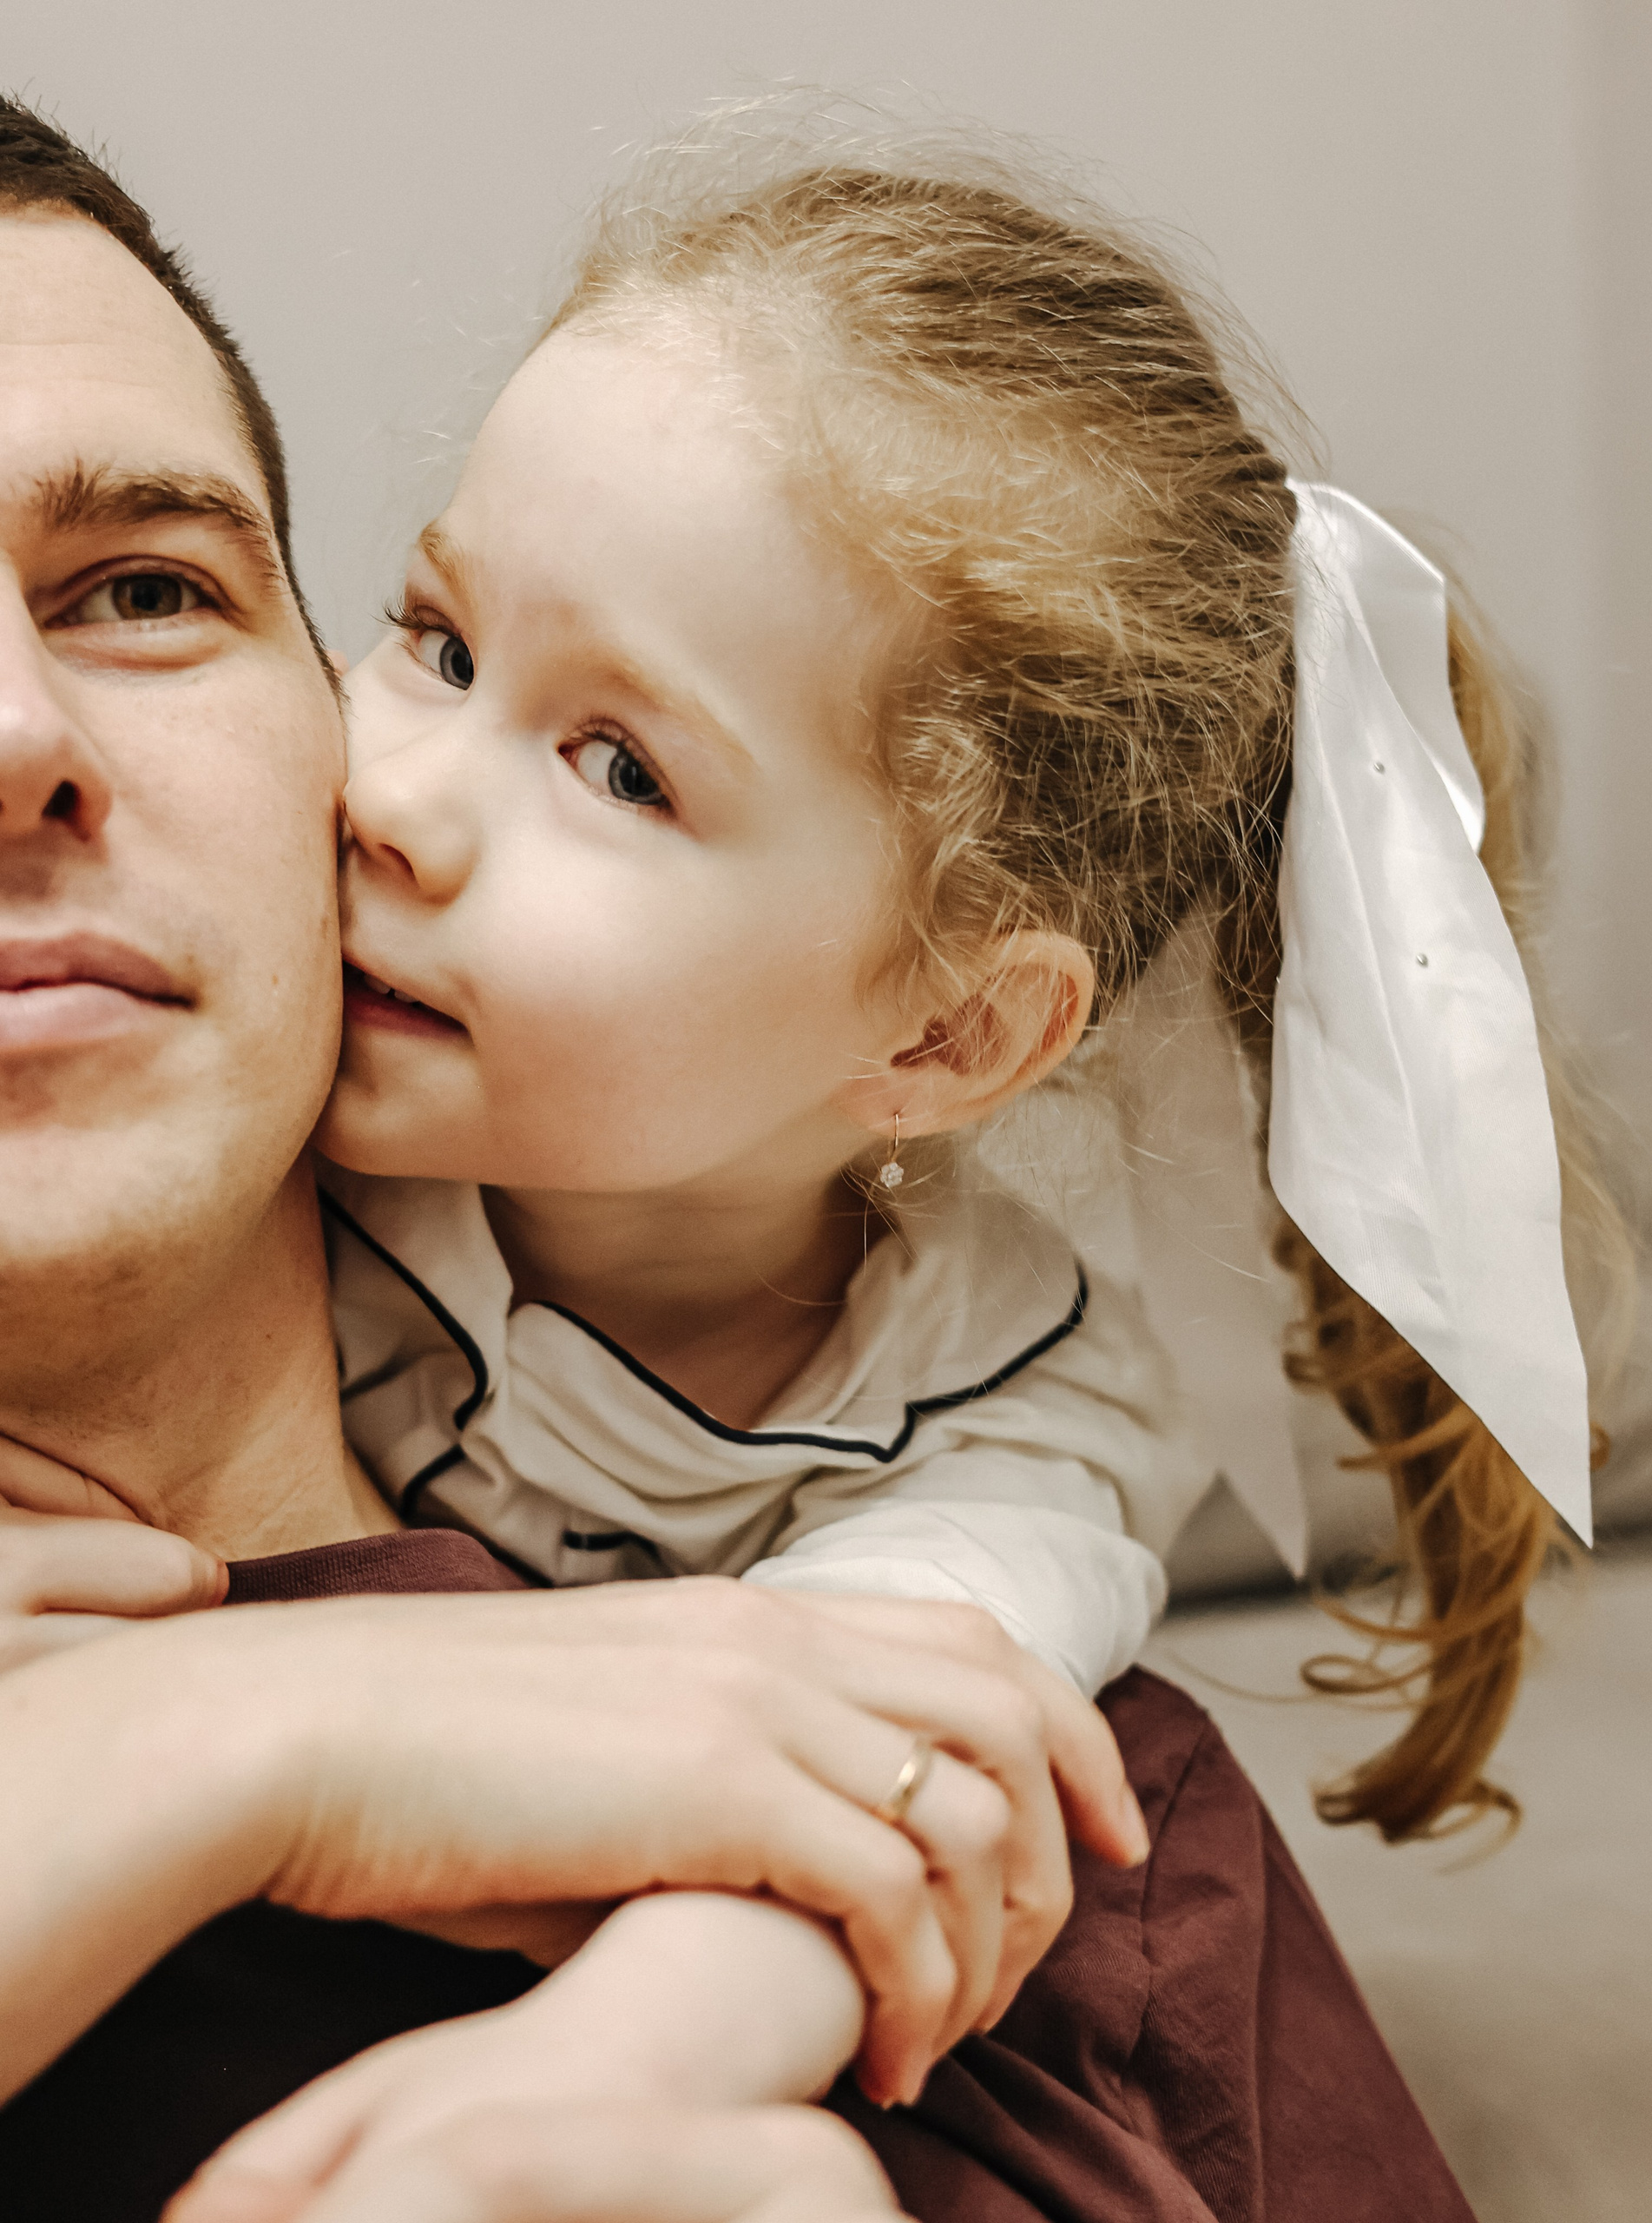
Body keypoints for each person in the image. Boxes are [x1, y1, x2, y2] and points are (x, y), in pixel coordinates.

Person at [0, 95, 1501, 2223]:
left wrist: (608, 2023)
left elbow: (912, 1686)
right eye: (436, 643)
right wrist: (208, 1746)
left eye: (140, 588)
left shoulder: (1041, 1785)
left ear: (948, 1035)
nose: (406, 795)